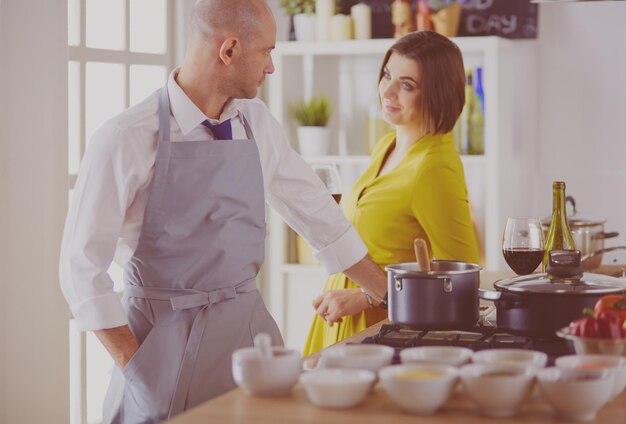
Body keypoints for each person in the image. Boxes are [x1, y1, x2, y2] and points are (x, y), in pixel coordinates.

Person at [58, 1, 387, 422]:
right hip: (163, 353)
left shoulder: (257, 123)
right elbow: (80, 267)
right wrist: (136, 367)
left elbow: (317, 214)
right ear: (228, 50)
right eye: (267, 51)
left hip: (251, 346)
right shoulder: (126, 137)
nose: (271, 67)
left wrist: (389, 295)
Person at [303, 31, 480, 356]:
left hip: (384, 333)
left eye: (407, 85)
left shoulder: (433, 169)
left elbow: (461, 281)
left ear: (436, 93)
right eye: (387, 75)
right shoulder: (388, 144)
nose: (388, 90)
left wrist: (364, 296)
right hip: (345, 320)